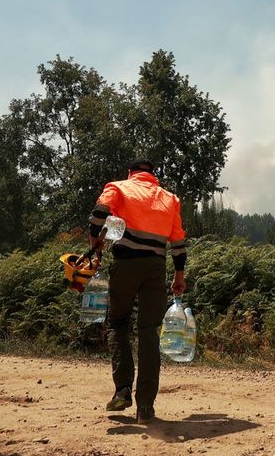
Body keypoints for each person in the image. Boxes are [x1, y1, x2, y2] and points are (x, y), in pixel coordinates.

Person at [88, 158, 188, 422]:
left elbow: (99, 212)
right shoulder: (170, 198)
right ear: (153, 175)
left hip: (125, 266)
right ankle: (146, 407)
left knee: (118, 323)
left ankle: (122, 391)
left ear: (131, 173)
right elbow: (178, 241)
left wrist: (94, 238)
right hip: (155, 268)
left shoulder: (119, 188)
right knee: (149, 333)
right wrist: (179, 274)